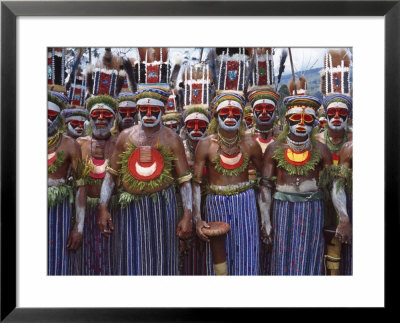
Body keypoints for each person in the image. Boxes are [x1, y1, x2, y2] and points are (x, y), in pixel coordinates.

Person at [97, 86, 192, 275]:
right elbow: (111, 174)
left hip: (163, 209)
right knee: (131, 261)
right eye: (144, 110)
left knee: (163, 262)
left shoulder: (172, 139)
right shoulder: (125, 137)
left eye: (154, 110)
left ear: (163, 111)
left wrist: (188, 215)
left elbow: (184, 181)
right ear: (138, 110)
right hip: (130, 209)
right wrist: (103, 207)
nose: (148, 114)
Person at [259, 95, 332, 275]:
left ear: (314, 122)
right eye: (295, 118)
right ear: (286, 120)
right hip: (282, 209)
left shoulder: (322, 150)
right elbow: (265, 187)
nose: (301, 123)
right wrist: (266, 222)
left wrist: (342, 218)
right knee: (282, 254)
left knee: (310, 256)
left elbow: (334, 186)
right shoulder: (274, 149)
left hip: (313, 209)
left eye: (307, 119)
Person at [193, 91, 263, 275]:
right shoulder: (206, 145)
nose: (230, 117)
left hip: (246, 204)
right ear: (216, 116)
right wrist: (197, 218)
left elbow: (266, 180)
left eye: (235, 113)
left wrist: (265, 217)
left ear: (241, 116)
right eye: (225, 112)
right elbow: (196, 184)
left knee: (247, 253)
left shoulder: (250, 144)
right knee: (218, 258)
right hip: (216, 203)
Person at [76, 94, 119, 275]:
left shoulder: (121, 144)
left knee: (114, 260)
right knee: (86, 261)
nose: (101, 119)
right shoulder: (78, 144)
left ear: (113, 119)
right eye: (96, 115)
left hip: (115, 212)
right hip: (85, 211)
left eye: (106, 115)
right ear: (89, 118)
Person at [48, 92, 86, 275]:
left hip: (58, 211)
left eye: (51, 116)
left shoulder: (70, 145)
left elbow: (81, 186)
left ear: (59, 118)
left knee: (57, 264)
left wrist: (78, 228)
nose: (46, 121)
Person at [316, 93, 352, 274]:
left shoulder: (354, 141)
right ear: (326, 115)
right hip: (322, 201)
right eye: (332, 113)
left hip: (349, 200)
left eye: (341, 113)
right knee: (325, 245)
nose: (337, 117)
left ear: (348, 116)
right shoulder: (317, 141)